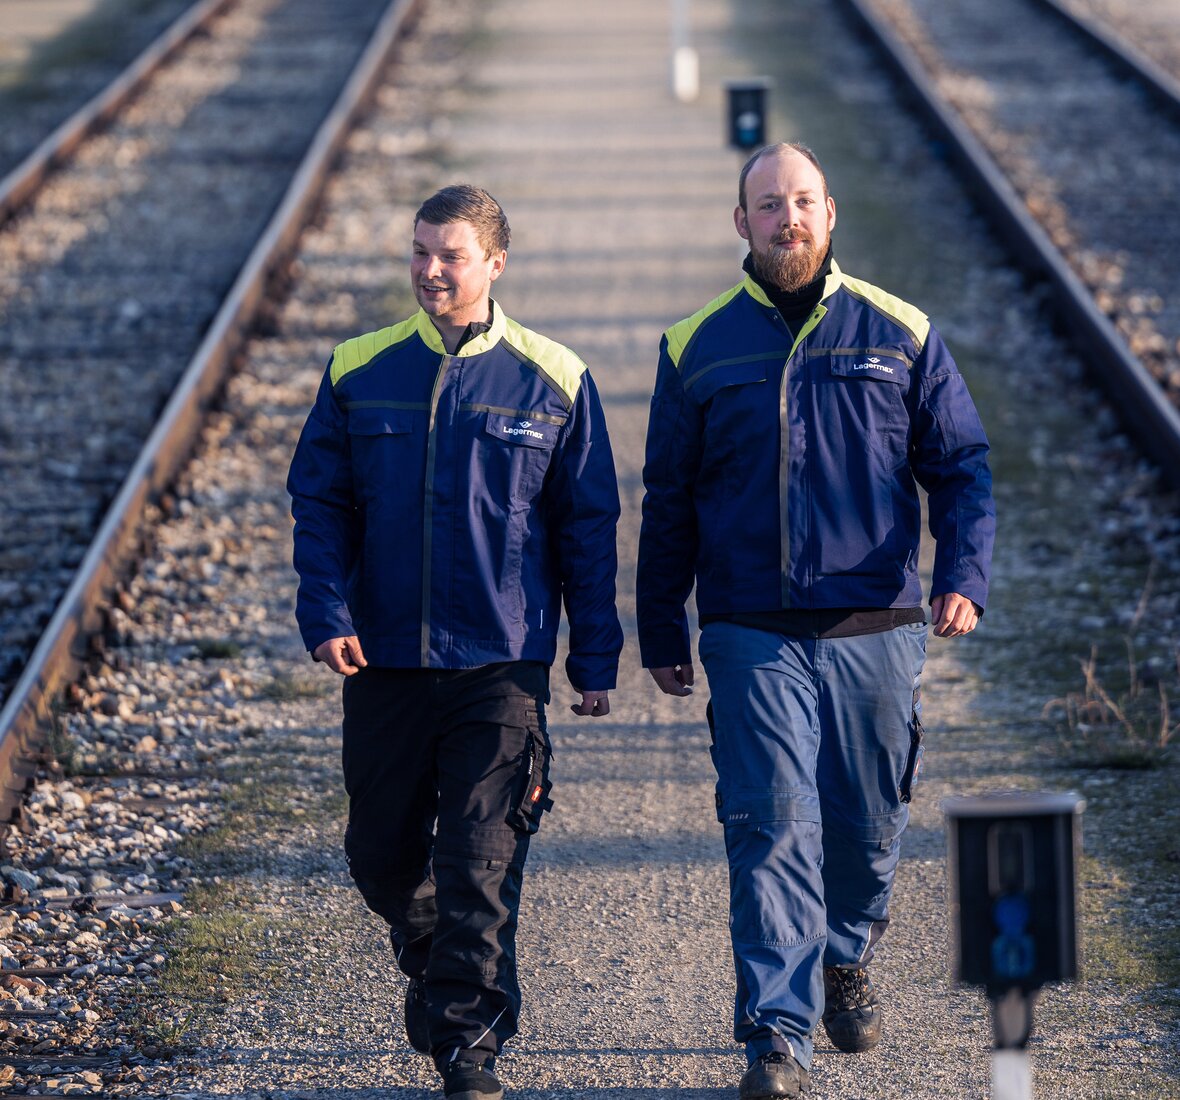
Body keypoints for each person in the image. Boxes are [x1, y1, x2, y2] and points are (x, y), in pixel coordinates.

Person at [637, 143, 994, 1099]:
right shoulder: (694, 346)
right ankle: (776, 1035)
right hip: (751, 628)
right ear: (741, 223)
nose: (786, 219)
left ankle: (845, 951)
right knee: (771, 822)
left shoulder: (901, 331)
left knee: (867, 821)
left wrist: (962, 574)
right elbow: (667, 499)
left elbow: (962, 469)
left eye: (801, 202)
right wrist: (662, 629)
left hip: (877, 622)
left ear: (829, 215)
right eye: (767, 204)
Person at [287, 184, 623, 1100]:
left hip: (500, 664)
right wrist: (327, 610)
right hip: (384, 659)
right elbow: (319, 503)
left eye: (452, 255)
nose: (432, 270)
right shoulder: (359, 368)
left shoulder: (554, 376)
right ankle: (432, 954)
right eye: (421, 251)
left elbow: (589, 531)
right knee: (380, 854)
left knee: (479, 862)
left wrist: (594, 658)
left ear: (495, 264)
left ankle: (468, 1046)